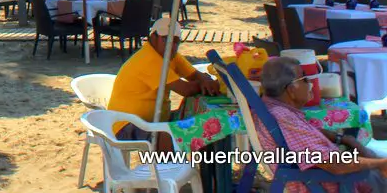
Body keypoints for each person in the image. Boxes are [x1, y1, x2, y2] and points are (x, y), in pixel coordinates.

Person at [254, 57, 387, 192]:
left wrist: (342, 139)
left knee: (373, 157)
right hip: (332, 184)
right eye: (305, 79)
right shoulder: (283, 118)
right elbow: (335, 164)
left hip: (328, 177)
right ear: (291, 90)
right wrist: (379, 164)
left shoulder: (276, 108)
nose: (310, 84)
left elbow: (308, 135)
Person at [107, 17, 221, 150]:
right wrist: (205, 84)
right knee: (179, 135)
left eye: (175, 41)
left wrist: (205, 80)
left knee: (201, 124)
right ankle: (166, 168)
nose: (171, 44)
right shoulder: (149, 59)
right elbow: (185, 90)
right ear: (153, 37)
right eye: (165, 39)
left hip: (152, 120)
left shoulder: (170, 55)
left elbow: (195, 75)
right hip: (126, 125)